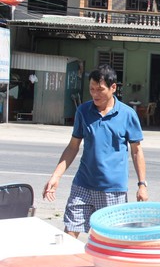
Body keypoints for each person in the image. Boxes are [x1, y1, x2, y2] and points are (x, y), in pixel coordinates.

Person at [42, 64, 148, 238]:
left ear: (113, 88)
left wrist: (142, 184)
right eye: (92, 89)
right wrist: (56, 176)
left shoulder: (127, 114)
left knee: (111, 240)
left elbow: (136, 152)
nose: (95, 94)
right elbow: (72, 146)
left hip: (113, 189)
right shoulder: (83, 111)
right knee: (70, 232)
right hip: (82, 184)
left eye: (100, 89)